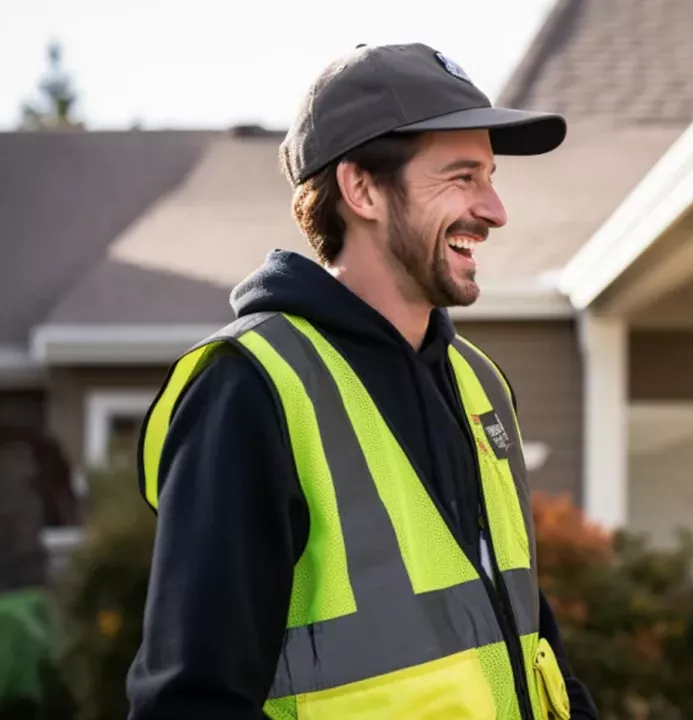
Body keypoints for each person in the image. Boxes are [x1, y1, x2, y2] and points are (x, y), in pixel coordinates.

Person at [127, 42, 596, 719]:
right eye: (462, 177)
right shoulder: (249, 389)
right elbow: (190, 701)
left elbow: (528, 638)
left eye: (492, 177)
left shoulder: (480, 384)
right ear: (362, 188)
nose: (495, 210)